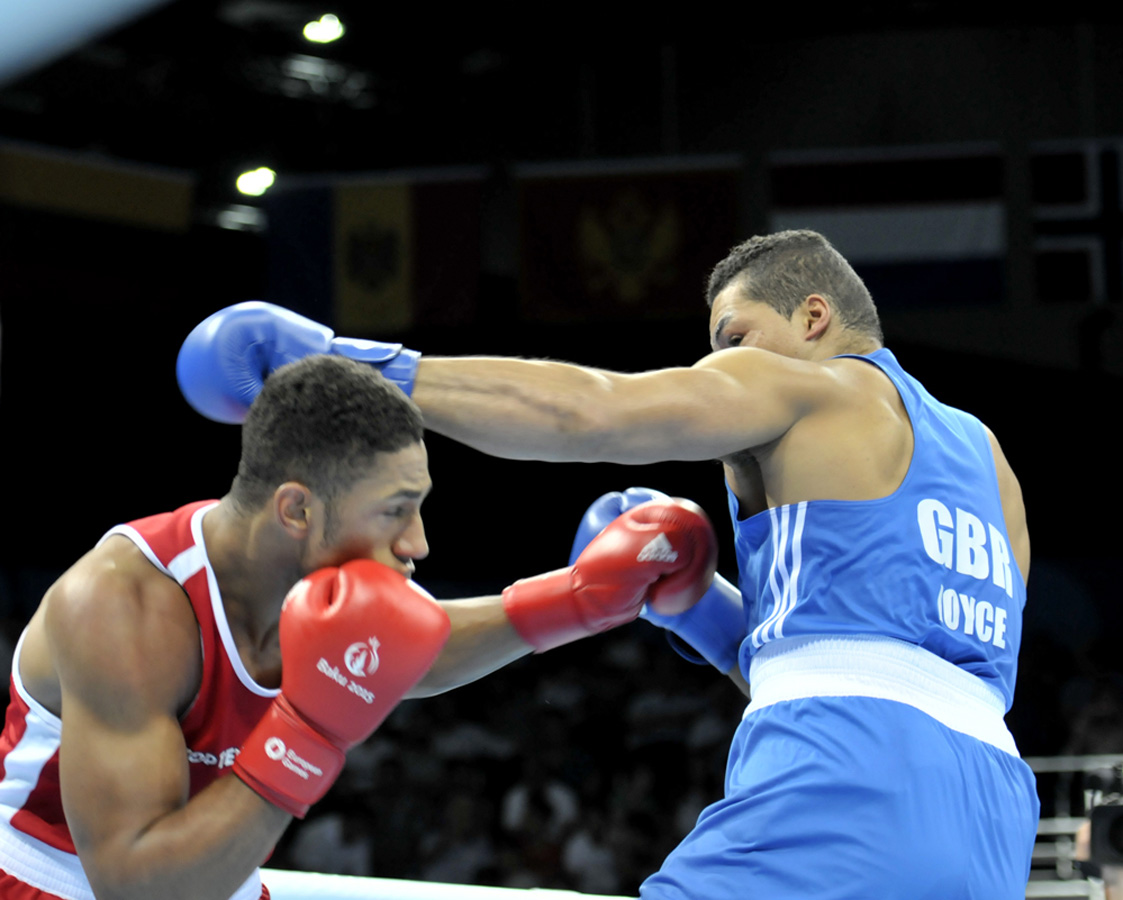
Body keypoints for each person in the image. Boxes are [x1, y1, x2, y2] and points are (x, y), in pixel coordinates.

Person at [177, 228, 1040, 899]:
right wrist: (701, 606)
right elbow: (887, 665)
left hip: (844, 780)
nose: (719, 362)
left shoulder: (815, 386)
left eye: (732, 336)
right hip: (993, 817)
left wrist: (353, 364)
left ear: (813, 318)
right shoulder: (991, 461)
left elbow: (591, 415)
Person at [0, 353, 717, 900]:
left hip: (209, 876)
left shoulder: (308, 582)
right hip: (56, 879)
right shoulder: (123, 606)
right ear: (295, 511)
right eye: (394, 510)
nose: (418, 542)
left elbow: (410, 653)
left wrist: (578, 599)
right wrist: (306, 733)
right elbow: (135, 885)